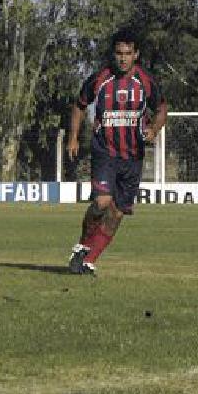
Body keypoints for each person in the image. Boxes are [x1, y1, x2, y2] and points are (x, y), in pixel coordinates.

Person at [67, 27, 167, 275]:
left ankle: (90, 260)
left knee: (118, 212)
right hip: (105, 152)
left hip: (133, 157)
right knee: (101, 202)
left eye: (127, 53)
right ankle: (82, 245)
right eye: (119, 53)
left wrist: (153, 129)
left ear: (136, 55)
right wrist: (73, 138)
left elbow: (162, 108)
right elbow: (79, 106)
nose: (122, 58)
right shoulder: (100, 79)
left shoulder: (145, 81)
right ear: (113, 54)